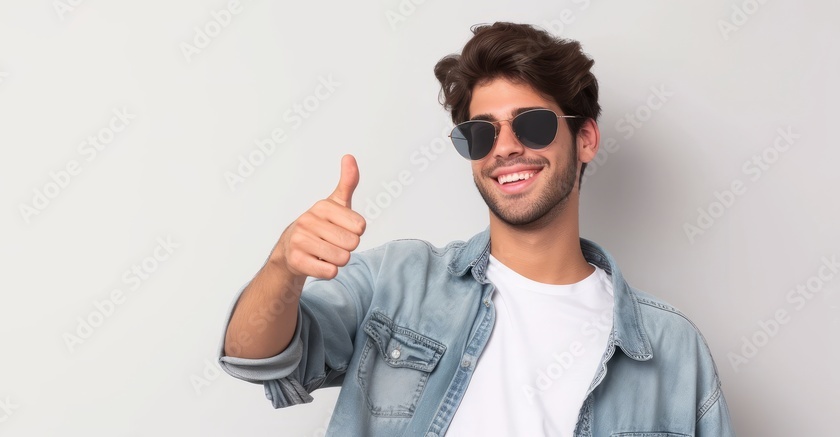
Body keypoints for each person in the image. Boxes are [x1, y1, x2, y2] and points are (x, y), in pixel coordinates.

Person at [218, 22, 735, 436]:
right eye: (481, 132)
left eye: (532, 124)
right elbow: (255, 358)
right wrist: (283, 266)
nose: (505, 147)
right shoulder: (399, 282)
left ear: (585, 139)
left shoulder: (670, 349)